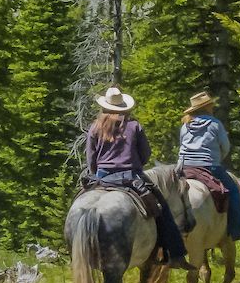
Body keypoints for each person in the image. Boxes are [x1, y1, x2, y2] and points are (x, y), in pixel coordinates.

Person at [84, 86, 197, 272]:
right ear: (124, 107)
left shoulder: (95, 127)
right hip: (130, 176)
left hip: (103, 177)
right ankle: (175, 254)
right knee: (162, 209)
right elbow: (145, 154)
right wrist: (136, 163)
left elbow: (91, 157)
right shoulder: (134, 126)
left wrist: (98, 173)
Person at [177, 91, 240, 240]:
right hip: (209, 166)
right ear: (207, 107)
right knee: (234, 191)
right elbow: (225, 146)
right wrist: (217, 159)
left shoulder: (185, 125)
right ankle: (236, 231)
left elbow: (181, 145)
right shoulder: (215, 124)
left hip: (184, 167)